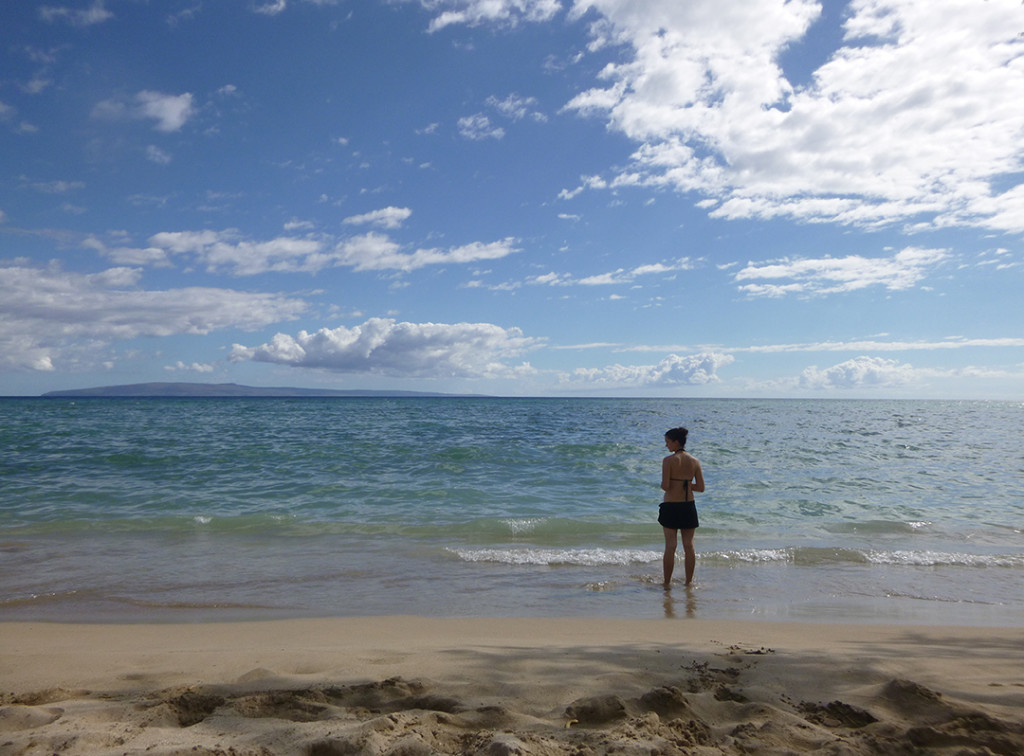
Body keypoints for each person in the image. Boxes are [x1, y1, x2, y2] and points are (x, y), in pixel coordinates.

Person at [658, 427, 704, 588]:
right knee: (689, 546)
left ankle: (666, 582)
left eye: (668, 442)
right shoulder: (695, 461)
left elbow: (665, 486)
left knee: (670, 546)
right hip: (688, 507)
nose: (666, 446)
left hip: (671, 506)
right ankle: (689, 582)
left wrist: (675, 483)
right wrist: (686, 483)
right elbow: (701, 487)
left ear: (676, 442)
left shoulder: (668, 461)